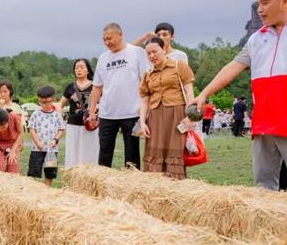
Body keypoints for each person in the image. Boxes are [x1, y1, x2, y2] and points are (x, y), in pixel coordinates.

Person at [189, 0, 287, 193]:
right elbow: (233, 66)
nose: (259, 9)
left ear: (285, 0)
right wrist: (205, 94)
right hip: (264, 119)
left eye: (265, 3)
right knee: (263, 186)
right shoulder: (257, 37)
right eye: (258, 4)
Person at [87, 23, 151, 169]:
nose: (107, 42)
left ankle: (131, 184)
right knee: (104, 152)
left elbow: (146, 81)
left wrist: (145, 109)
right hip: (107, 114)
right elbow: (97, 87)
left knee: (132, 153)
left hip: (132, 113)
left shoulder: (137, 52)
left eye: (109, 38)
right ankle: (102, 182)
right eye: (104, 40)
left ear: (120, 35)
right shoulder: (103, 58)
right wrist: (92, 112)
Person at [138, 37, 195, 178]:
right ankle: (155, 184)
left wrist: (190, 117)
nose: (152, 56)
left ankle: (175, 184)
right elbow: (144, 101)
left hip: (176, 115)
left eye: (155, 51)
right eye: (148, 53)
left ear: (164, 49)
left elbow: (189, 92)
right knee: (155, 153)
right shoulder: (147, 75)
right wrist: (142, 122)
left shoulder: (179, 66)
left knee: (175, 152)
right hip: (155, 117)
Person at [61, 58, 99, 167]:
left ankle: (89, 177)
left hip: (90, 124)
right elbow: (61, 104)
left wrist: (95, 108)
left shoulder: (96, 86)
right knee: (73, 152)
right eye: (76, 68)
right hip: (73, 124)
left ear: (88, 70)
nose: (79, 70)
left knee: (90, 151)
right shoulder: (70, 87)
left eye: (82, 67)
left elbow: (104, 102)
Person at [27, 86, 65, 187]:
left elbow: (61, 129)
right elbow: (31, 129)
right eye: (41, 102)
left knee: (50, 173)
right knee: (33, 171)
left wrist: (55, 139)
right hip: (37, 149)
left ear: (53, 99)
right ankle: (32, 190)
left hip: (52, 150)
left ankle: (47, 190)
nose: (44, 104)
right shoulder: (36, 114)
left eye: (47, 102)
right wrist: (37, 142)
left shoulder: (57, 115)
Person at [0, 107, 23, 173]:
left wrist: (13, 151)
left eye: (3, 127)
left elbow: (20, 133)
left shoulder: (14, 117)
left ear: (8, 121)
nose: (0, 130)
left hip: (13, 142)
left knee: (13, 165)